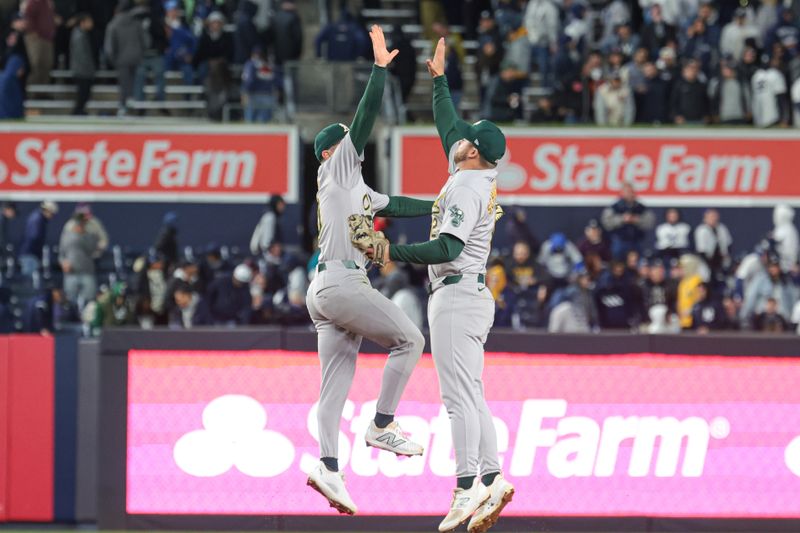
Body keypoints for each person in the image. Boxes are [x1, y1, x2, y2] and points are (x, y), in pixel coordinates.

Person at [365, 37, 515, 533]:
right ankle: (492, 478)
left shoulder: (468, 189)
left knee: (457, 399)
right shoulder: (478, 171)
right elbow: (450, 125)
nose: (459, 138)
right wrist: (438, 79)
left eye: (467, 139)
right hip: (470, 294)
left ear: (474, 152)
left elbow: (446, 250)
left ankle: (466, 486)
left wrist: (392, 252)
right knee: (473, 394)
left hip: (454, 291)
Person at [304, 26, 426, 516]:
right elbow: (364, 121)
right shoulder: (334, 171)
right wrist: (379, 71)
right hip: (341, 282)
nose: (357, 149)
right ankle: (382, 423)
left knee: (333, 386)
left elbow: (394, 203)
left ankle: (328, 466)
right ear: (336, 153)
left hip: (325, 289)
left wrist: (443, 207)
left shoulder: (356, 189)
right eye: (348, 145)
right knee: (410, 340)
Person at [105, 1, 146, 116]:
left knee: (124, 83)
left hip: (121, 59)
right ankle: (131, 104)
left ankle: (123, 107)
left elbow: (109, 46)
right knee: (133, 83)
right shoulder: (137, 23)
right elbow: (144, 41)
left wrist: (113, 59)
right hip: (136, 57)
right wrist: (140, 54)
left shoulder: (113, 24)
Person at [601, 183, 655, 260]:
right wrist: (622, 219)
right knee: (618, 263)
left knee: (639, 264)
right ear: (622, 192)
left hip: (637, 241)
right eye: (627, 191)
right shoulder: (615, 207)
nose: (629, 194)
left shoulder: (640, 207)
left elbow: (650, 222)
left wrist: (637, 220)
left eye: (631, 191)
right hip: (620, 241)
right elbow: (606, 222)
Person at [59, 213, 98, 307]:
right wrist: (63, 263)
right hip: (71, 273)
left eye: (82, 223)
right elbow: (61, 253)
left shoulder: (90, 235)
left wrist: (83, 235)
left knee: (89, 300)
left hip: (87, 272)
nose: (80, 225)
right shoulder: (66, 235)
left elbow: (91, 249)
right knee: (70, 300)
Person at [524, 0, 559, 88]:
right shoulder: (531, 4)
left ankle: (545, 87)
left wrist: (553, 42)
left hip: (543, 42)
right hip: (530, 40)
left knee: (544, 67)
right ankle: (526, 87)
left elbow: (552, 26)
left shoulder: (550, 6)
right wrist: (530, 35)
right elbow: (527, 21)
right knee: (526, 65)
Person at [19, 200, 58, 276]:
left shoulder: (37, 218)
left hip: (30, 253)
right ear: (47, 210)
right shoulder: (37, 219)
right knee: (28, 280)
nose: (52, 216)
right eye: (51, 213)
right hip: (30, 254)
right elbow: (34, 237)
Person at [241, 47, 279, 122]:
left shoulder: (251, 64)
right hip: (268, 96)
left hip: (253, 96)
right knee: (265, 125)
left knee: (250, 125)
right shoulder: (270, 65)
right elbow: (278, 80)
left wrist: (244, 92)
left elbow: (249, 80)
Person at [22, 0, 55, 85]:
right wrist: (32, 31)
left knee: (47, 63)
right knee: (35, 64)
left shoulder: (48, 3)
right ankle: (32, 91)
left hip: (47, 38)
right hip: (36, 38)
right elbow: (28, 16)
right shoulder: (33, 2)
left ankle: (43, 90)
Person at [752, 55, 789, 128]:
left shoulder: (756, 75)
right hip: (773, 115)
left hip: (758, 115)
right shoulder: (775, 74)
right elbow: (781, 98)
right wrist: (783, 118)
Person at [708, 60, 751, 125]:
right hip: (724, 117)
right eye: (726, 69)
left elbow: (747, 98)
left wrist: (748, 111)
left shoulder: (741, 83)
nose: (727, 71)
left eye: (730, 69)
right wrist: (714, 114)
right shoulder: (717, 83)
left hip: (740, 116)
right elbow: (712, 100)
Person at [694, 208, 733, 278]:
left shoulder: (722, 228)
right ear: (705, 218)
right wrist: (710, 265)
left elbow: (728, 244)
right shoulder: (701, 230)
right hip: (708, 262)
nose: (714, 218)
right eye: (711, 216)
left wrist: (726, 256)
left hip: (722, 261)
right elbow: (701, 251)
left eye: (715, 216)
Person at [69, 13, 95, 115]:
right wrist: (89, 69)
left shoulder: (81, 34)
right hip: (82, 70)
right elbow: (81, 55)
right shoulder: (79, 36)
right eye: (89, 21)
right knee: (83, 92)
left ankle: (79, 110)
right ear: (82, 23)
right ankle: (77, 110)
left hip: (83, 69)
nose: (91, 24)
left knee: (85, 92)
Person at [670, 59, 709, 124]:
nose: (692, 71)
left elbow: (706, 102)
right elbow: (673, 102)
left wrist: (706, 115)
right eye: (690, 69)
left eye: (694, 69)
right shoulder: (678, 85)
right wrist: (676, 115)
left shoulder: (701, 86)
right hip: (683, 120)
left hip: (700, 120)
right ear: (684, 71)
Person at [269, 0, 303, 66]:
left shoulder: (275, 17)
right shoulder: (294, 18)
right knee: (291, 73)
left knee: (279, 72)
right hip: (292, 55)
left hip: (277, 54)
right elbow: (298, 37)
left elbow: (270, 36)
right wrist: (298, 53)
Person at [772, 204, 799, 273]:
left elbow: (789, 251)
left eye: (778, 216)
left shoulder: (789, 231)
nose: (775, 218)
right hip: (777, 265)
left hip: (786, 267)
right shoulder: (780, 229)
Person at [0, 53, 25, 119]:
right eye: (21, 68)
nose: (22, 72)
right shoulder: (10, 80)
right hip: (9, 116)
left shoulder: (4, 77)